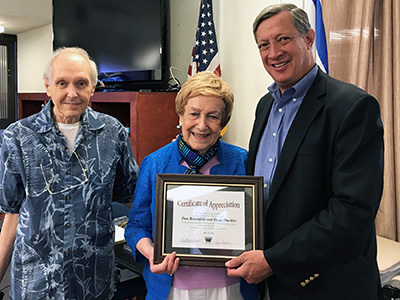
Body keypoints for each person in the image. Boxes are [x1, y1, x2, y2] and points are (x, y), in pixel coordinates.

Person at [225, 3, 384, 300]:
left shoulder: (352, 107)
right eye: (263, 44)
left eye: (283, 39)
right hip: (272, 284)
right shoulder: (264, 106)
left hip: (327, 285)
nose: (273, 52)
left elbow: (351, 211)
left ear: (309, 38)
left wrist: (274, 260)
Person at [0, 47, 139, 299]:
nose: (72, 93)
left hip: (93, 281)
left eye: (81, 83)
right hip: (36, 282)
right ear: (48, 87)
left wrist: (169, 241)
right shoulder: (17, 137)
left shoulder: (113, 133)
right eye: (62, 83)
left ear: (93, 88)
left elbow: (132, 198)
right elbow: (12, 214)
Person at [124, 71, 257, 300]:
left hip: (231, 287)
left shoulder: (242, 161)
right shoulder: (155, 163)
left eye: (213, 116)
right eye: (194, 114)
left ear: (223, 122)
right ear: (181, 116)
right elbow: (136, 226)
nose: (202, 125)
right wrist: (152, 253)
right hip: (171, 289)